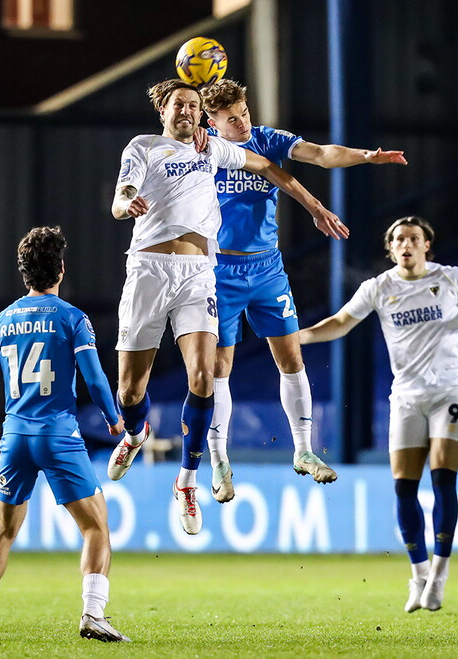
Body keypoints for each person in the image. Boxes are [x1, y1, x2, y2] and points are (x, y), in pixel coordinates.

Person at [105, 78, 344, 535]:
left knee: (205, 376)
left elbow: (267, 167)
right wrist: (124, 204)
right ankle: (135, 434)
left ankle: (188, 480)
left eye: (194, 106)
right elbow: (121, 196)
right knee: (131, 392)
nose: (187, 112)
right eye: (179, 105)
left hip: (199, 275)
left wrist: (313, 206)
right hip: (148, 272)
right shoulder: (144, 147)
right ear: (163, 110)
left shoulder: (213, 149)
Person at [298, 216, 458, 613]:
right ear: (391, 248)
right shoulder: (379, 288)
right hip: (407, 398)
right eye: (399, 239)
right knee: (404, 488)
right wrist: (299, 336)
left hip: (449, 390)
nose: (407, 244)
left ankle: (440, 576)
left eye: (414, 238)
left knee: (443, 477)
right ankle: (418, 576)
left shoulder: (452, 278)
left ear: (427, 245)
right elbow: (341, 323)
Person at [199, 79, 408, 502]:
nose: (242, 123)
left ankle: (304, 451)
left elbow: (320, 154)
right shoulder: (203, 151)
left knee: (291, 358)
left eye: (245, 114)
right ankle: (219, 462)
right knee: (220, 367)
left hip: (267, 268)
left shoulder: (268, 140)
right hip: (220, 270)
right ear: (212, 122)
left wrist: (366, 156)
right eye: (232, 119)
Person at [0, 226, 128, 643]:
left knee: (2, 531)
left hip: (14, 437)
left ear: (24, 275)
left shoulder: (0, 321)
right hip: (58, 435)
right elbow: (93, 375)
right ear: (61, 270)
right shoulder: (73, 319)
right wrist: (114, 418)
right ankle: (93, 614)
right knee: (96, 527)